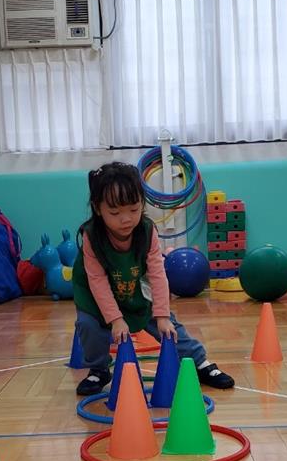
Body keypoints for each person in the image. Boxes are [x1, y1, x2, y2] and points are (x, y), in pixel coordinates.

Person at [72, 161, 235, 396]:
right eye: (115, 213)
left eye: (134, 209)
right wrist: (116, 319)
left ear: (142, 203)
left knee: (168, 327)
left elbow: (157, 275)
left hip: (134, 291)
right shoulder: (91, 236)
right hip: (97, 297)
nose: (126, 219)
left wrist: (162, 315)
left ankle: (200, 363)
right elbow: (97, 281)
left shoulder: (147, 231)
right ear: (98, 209)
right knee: (88, 325)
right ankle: (99, 369)